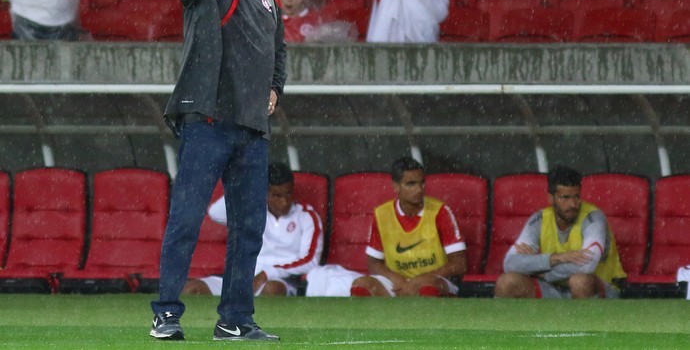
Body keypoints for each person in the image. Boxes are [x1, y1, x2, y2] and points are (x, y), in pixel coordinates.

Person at [149, 0, 286, 342]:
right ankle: (166, 315)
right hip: (207, 120)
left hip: (251, 125)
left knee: (249, 228)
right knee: (186, 220)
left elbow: (279, 51)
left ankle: (235, 319)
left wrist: (276, 89)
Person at [183, 162, 324, 296]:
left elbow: (311, 261)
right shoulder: (251, 211)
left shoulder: (307, 217)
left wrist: (269, 273)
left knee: (272, 289)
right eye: (277, 196)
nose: (284, 202)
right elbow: (215, 213)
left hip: (279, 280)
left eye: (288, 194)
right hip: (242, 278)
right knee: (192, 289)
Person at [494, 165, 627, 299]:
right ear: (551, 199)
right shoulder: (539, 219)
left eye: (576, 196)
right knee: (506, 282)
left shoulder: (593, 218)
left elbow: (586, 267)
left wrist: (541, 272)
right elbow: (510, 263)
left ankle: (587, 320)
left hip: (600, 288)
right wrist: (555, 258)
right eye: (565, 198)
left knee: (579, 282)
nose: (573, 204)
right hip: (555, 288)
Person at [350, 157, 467, 297]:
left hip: (434, 280)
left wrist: (420, 280)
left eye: (422, 182)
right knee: (361, 286)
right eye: (411, 184)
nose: (419, 189)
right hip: (398, 283)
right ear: (396, 187)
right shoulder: (382, 214)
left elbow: (459, 263)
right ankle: (375, 319)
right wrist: (395, 278)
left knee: (427, 287)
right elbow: (374, 264)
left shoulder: (441, 212)